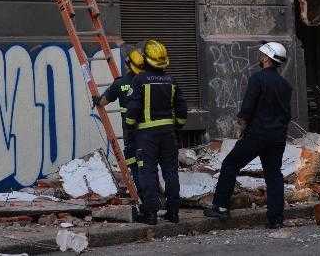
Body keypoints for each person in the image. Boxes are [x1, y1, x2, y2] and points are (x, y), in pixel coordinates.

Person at [204, 41, 292, 229]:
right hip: (277, 137)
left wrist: (241, 127)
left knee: (230, 164)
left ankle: (220, 207)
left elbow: (246, 110)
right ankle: (276, 219)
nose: (261, 57)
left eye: (263, 55)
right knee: (273, 175)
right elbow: (287, 114)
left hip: (257, 135)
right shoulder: (285, 85)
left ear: (267, 58)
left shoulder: (257, 79)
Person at [125, 39, 187, 225]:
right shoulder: (171, 81)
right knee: (170, 172)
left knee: (148, 173)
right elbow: (181, 110)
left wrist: (129, 125)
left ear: (146, 59)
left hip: (146, 136)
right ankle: (173, 212)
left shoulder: (140, 79)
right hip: (169, 134)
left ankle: (151, 214)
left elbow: (134, 107)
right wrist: (177, 125)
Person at [92, 48, 145, 186]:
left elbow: (103, 101)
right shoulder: (148, 81)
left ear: (127, 65)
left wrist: (96, 99)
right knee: (147, 161)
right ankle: (152, 193)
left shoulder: (120, 83)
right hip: (148, 128)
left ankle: (141, 193)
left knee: (133, 160)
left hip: (130, 129)